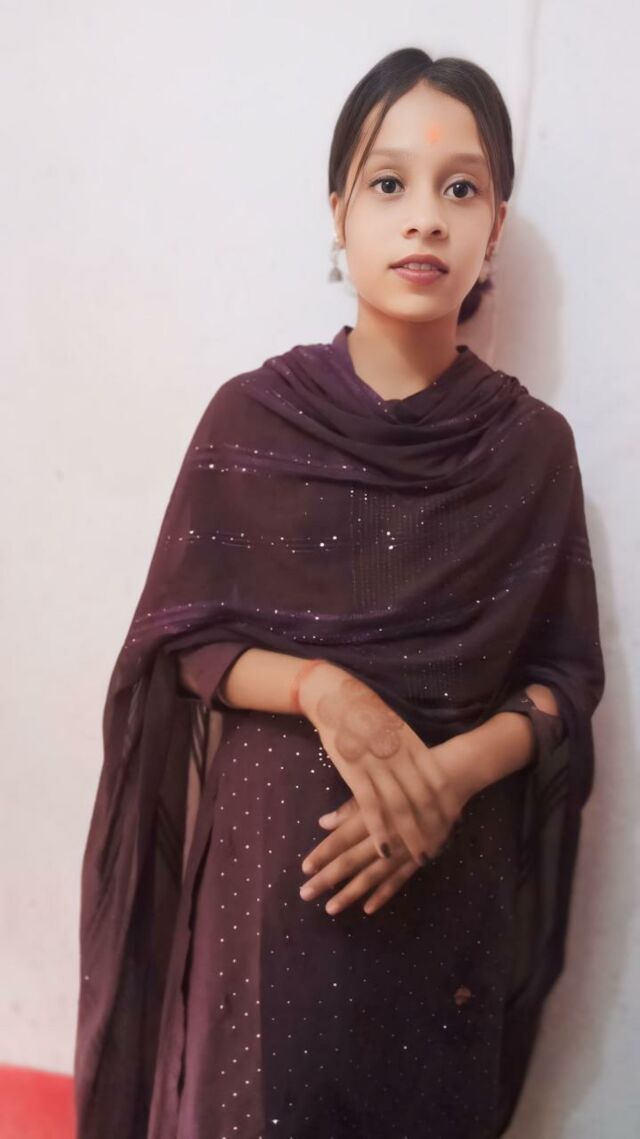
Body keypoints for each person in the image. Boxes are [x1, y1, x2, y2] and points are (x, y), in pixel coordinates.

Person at [73, 47, 605, 1139]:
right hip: (271, 916)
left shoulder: (531, 451)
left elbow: (562, 679)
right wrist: (321, 688)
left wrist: (448, 777)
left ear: (495, 227)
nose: (426, 218)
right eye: (389, 182)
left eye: (462, 188)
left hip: (446, 906)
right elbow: (180, 643)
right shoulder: (252, 421)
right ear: (339, 213)